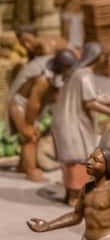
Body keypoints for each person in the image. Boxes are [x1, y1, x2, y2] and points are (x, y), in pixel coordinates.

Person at [52, 42, 110, 204]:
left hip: (68, 120)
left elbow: (88, 97)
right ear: (97, 57)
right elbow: (90, 102)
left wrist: (103, 99)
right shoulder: (85, 74)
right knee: (78, 159)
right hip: (74, 123)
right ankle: (74, 196)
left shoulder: (75, 72)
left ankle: (71, 194)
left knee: (72, 160)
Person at [8, 45, 66, 182]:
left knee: (32, 135)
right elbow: (33, 103)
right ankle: (30, 171)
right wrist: (29, 125)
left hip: (27, 105)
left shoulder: (54, 73)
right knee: (31, 137)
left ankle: (22, 166)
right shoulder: (43, 80)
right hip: (20, 105)